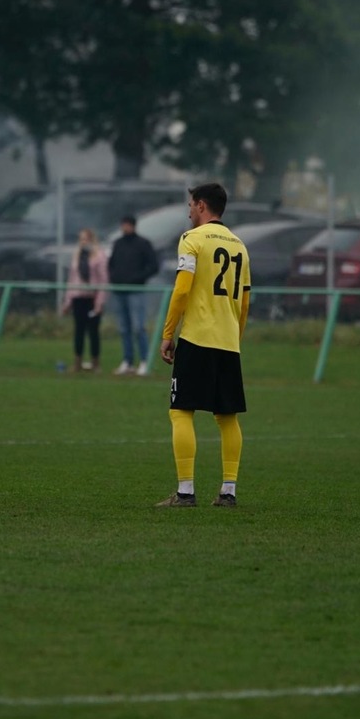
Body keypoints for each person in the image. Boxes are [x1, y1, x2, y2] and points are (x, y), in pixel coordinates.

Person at [156, 182, 251, 508]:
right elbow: (245, 300)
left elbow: (182, 290)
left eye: (191, 204)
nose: (188, 210)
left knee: (181, 411)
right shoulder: (239, 245)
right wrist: (234, 337)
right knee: (227, 417)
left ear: (200, 205)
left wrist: (168, 333)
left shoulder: (192, 239)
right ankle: (228, 492)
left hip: (197, 338)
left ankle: (185, 492)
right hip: (228, 341)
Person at [108, 214, 159, 376]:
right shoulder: (118, 244)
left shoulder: (143, 244)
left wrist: (138, 278)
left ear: (133, 226)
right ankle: (127, 361)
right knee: (124, 328)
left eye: (128, 225)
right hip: (120, 291)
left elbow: (153, 266)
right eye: (123, 225)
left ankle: (144, 361)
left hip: (136, 291)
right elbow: (111, 264)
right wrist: (114, 278)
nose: (125, 228)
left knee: (138, 327)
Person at [61, 228, 108, 373]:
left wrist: (99, 302)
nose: (83, 242)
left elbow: (103, 280)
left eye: (85, 239)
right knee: (79, 331)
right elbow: (71, 280)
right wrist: (67, 301)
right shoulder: (76, 256)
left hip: (92, 298)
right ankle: (77, 362)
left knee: (93, 331)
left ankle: (95, 363)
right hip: (78, 297)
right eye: (81, 239)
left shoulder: (99, 256)